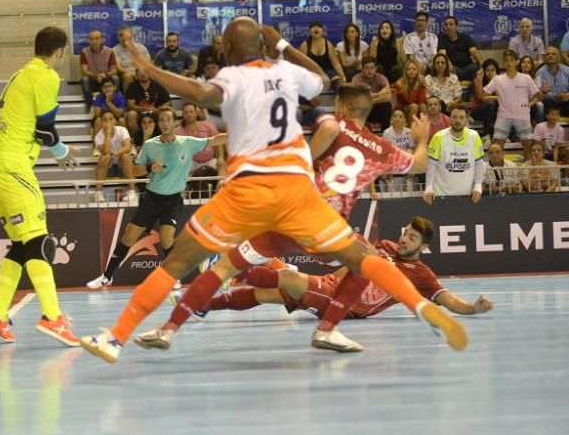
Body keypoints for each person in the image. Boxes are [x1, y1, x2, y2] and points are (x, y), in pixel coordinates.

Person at [79, 21, 464, 363]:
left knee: (180, 263)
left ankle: (119, 335)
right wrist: (281, 46)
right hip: (299, 193)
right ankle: (417, 305)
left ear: (228, 51)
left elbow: (200, 94)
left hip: (249, 191)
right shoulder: (286, 72)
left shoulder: (234, 77)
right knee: (363, 258)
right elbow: (321, 79)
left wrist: (146, 68)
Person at [133, 81, 436, 354]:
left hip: (288, 215)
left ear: (342, 107)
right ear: (368, 112)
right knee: (366, 264)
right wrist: (422, 138)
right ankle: (327, 330)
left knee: (225, 268)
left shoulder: (331, 126)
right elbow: (420, 164)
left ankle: (167, 330)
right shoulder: (382, 148)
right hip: (324, 227)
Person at [194, 217, 493, 352]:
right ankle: (205, 303)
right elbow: (354, 266)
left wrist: (473, 309)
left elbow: (448, 300)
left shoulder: (422, 274)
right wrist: (331, 280)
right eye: (406, 233)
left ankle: (227, 273)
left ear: (423, 246)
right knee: (268, 294)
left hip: (354, 307)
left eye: (413, 238)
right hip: (333, 289)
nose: (404, 239)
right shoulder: (385, 245)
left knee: (286, 276)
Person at [0, 27, 80, 346]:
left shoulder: (19, 75)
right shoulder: (46, 77)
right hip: (13, 169)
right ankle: (53, 317)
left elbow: (35, 130)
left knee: (23, 246)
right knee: (40, 242)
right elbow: (46, 130)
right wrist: (63, 152)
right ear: (61, 53)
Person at [87, 106, 225, 289]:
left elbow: (214, 140)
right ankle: (107, 276)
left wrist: (240, 132)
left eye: (168, 119)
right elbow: (134, 171)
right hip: (151, 199)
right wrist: (150, 168)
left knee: (167, 238)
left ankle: (173, 277)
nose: (165, 123)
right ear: (159, 123)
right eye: (162, 120)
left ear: (173, 122)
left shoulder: (187, 142)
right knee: (129, 236)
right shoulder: (150, 145)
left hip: (173, 200)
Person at [423, 105, 484, 203]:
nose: (457, 120)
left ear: (467, 119)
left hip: (467, 195)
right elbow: (431, 164)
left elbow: (479, 163)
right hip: (441, 195)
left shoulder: (474, 136)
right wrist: (429, 188)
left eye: (461, 117)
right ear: (449, 118)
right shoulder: (439, 137)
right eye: (454, 117)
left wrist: (478, 186)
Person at [483, 50, 541, 149]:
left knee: (528, 149)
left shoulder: (526, 78)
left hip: (522, 116)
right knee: (497, 147)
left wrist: (529, 104)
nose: (509, 62)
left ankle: (527, 164)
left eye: (511, 60)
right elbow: (482, 95)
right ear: (503, 62)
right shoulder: (497, 79)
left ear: (516, 62)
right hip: (504, 116)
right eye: (506, 60)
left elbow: (538, 95)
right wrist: (479, 80)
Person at [92, 111, 135, 199]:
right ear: (102, 123)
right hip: (108, 167)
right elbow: (105, 151)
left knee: (125, 156)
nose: (108, 122)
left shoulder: (122, 130)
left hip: (122, 164)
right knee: (104, 157)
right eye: (105, 120)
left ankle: (132, 191)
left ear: (115, 121)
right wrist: (107, 133)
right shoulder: (98, 136)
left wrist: (116, 153)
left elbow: (128, 147)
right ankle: (98, 193)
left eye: (110, 119)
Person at [351, 57, 392, 130]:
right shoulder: (356, 79)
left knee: (387, 105)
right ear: (362, 69)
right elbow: (360, 99)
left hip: (376, 109)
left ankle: (385, 133)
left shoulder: (381, 78)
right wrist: (380, 94)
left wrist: (373, 98)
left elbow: (388, 96)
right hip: (363, 111)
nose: (369, 71)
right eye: (366, 68)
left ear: (375, 68)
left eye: (372, 68)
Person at [437, 15, 483, 80]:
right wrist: (449, 66)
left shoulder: (465, 37)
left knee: (475, 67)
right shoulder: (442, 38)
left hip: (468, 67)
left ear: (456, 26)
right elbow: (442, 55)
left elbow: (473, 51)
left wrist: (482, 65)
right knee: (448, 70)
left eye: (451, 24)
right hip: (453, 68)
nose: (448, 27)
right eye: (446, 25)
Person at [79, 29, 119, 97]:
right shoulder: (84, 52)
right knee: (84, 79)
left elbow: (114, 70)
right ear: (89, 40)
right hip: (92, 79)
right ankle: (91, 105)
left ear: (102, 40)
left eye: (97, 38)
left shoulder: (109, 51)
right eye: (91, 39)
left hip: (106, 79)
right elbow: (84, 71)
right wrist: (96, 76)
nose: (94, 41)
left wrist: (105, 75)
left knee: (115, 78)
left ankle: (114, 103)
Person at [536, 46, 569, 116]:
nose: (550, 56)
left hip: (566, 102)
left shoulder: (567, 70)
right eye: (548, 54)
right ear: (545, 57)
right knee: (547, 101)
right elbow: (538, 96)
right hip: (549, 105)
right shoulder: (539, 73)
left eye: (553, 54)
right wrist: (553, 96)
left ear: (558, 57)